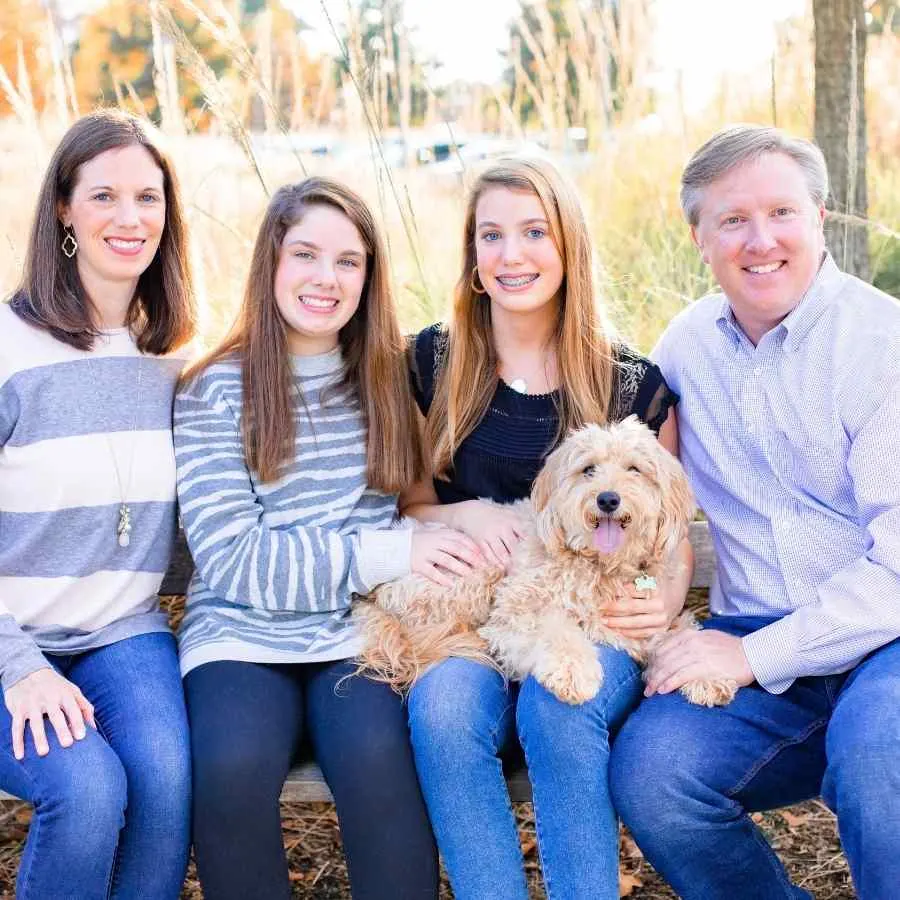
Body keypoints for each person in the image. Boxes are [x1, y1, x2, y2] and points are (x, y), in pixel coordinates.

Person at [609, 125, 900, 899]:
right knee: (654, 773)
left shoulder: (882, 346)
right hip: (755, 641)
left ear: (820, 218)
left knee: (882, 760)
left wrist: (751, 656)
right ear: (699, 239)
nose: (760, 240)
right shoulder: (684, 349)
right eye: (733, 219)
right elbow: (643, 499)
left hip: (886, 642)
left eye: (781, 213)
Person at [174, 177, 475, 900]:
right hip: (240, 634)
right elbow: (233, 560)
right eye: (305, 254)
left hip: (355, 632)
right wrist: (389, 552)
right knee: (230, 766)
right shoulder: (215, 388)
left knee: (379, 759)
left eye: (349, 261)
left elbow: (422, 501)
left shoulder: (386, 379)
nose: (326, 278)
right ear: (271, 263)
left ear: (369, 278)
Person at [401, 156, 691, 899]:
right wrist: (463, 510)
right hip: (475, 619)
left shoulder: (629, 381)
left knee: (561, 705)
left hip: (593, 615)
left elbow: (671, 526)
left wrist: (661, 598)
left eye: (534, 232)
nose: (512, 254)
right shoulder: (433, 360)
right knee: (443, 714)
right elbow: (409, 505)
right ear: (472, 257)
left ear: (569, 246)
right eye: (491, 235)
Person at [0, 110, 196, 899]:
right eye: (104, 196)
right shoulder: (9, 350)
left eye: (148, 198)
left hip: (122, 634)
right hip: (9, 642)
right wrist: (19, 669)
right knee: (86, 790)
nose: (129, 218)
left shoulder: (172, 360)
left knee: (166, 778)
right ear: (63, 210)